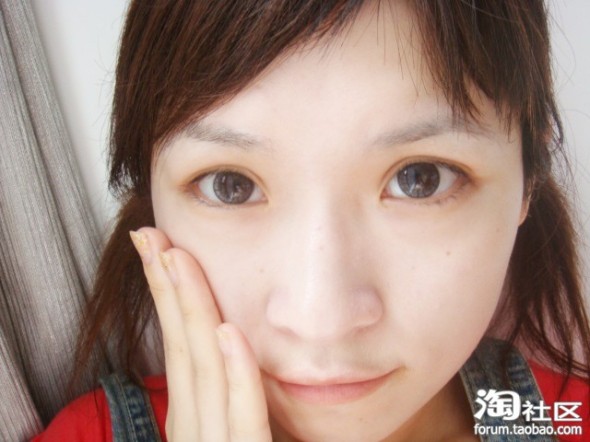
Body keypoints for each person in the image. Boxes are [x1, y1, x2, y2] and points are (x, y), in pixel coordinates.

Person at [33, 0, 590, 440]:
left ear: (528, 178)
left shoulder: (562, 420)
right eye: (231, 186)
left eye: (420, 179)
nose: (321, 319)